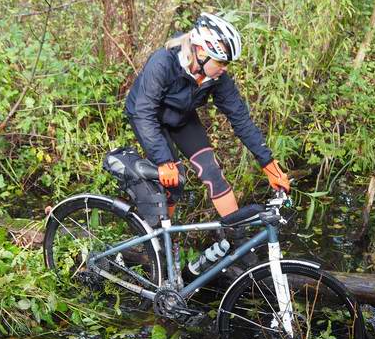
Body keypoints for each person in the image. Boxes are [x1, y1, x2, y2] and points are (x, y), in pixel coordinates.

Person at [124, 12, 290, 219]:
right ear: (201, 52)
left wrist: (269, 165)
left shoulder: (217, 77)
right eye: (221, 62)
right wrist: (163, 160)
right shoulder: (163, 62)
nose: (224, 68)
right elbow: (143, 112)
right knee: (174, 180)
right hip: (148, 117)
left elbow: (240, 119)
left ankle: (235, 235)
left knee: (212, 171)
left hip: (181, 117)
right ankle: (157, 243)